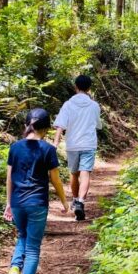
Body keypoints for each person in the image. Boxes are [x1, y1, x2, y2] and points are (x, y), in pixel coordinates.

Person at [4, 108, 70, 274]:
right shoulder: (48, 149)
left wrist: (8, 203)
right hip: (37, 203)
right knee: (33, 248)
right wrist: (65, 201)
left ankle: (15, 268)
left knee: (22, 237)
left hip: (17, 202)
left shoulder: (15, 148)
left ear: (27, 125)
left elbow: (9, 178)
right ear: (46, 127)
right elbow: (55, 180)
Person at [53, 74, 102, 222]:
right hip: (88, 144)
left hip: (73, 144)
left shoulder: (68, 104)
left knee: (74, 174)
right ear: (89, 88)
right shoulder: (94, 105)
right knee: (85, 173)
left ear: (76, 86)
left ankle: (75, 200)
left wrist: (55, 143)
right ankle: (81, 201)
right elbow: (98, 124)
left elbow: (60, 125)